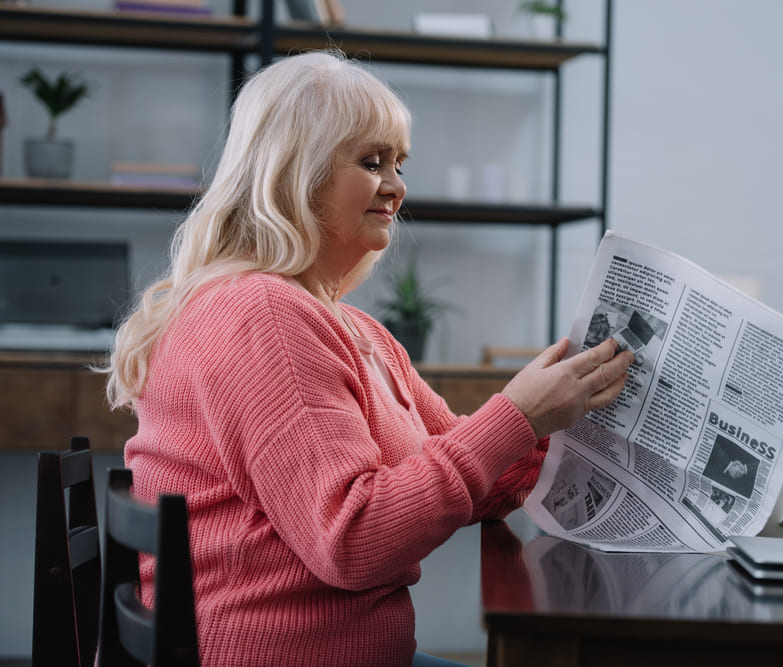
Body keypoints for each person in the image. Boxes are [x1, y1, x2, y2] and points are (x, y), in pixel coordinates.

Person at [103, 50, 632, 667]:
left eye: (399, 164)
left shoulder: (350, 328)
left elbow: (466, 468)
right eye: (371, 161)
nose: (397, 186)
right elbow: (353, 539)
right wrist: (517, 417)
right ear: (297, 173)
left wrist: (564, 415)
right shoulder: (262, 315)